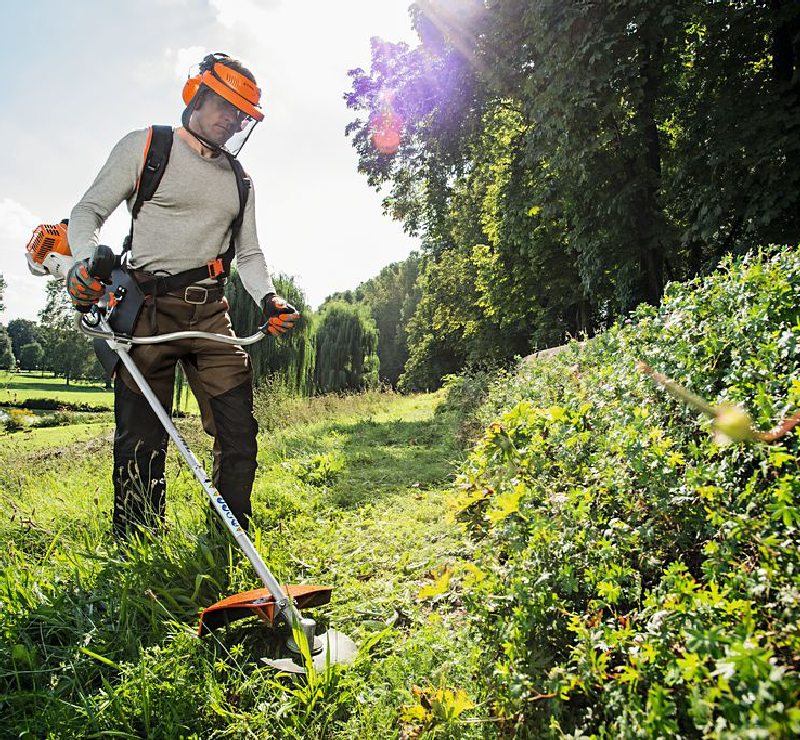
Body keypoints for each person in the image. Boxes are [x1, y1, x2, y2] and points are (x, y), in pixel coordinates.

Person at [65, 52, 298, 537]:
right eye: (225, 107)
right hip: (145, 311)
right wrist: (88, 261)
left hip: (211, 314)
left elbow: (249, 254)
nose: (232, 121)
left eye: (240, 114)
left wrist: (269, 299)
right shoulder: (149, 146)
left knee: (238, 431)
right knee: (141, 439)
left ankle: (228, 535)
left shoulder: (240, 180)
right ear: (196, 95)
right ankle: (136, 540)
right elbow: (88, 211)